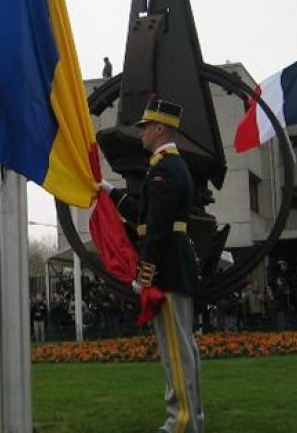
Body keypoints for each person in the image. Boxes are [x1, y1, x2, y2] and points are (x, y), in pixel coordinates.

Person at [100, 98, 204, 433]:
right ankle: (190, 418)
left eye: (146, 127)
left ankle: (180, 422)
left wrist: (144, 276)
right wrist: (110, 192)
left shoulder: (165, 169)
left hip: (167, 268)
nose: (142, 133)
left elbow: (156, 229)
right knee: (183, 348)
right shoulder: (168, 167)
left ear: (159, 129)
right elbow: (144, 214)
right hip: (174, 264)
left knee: (176, 351)